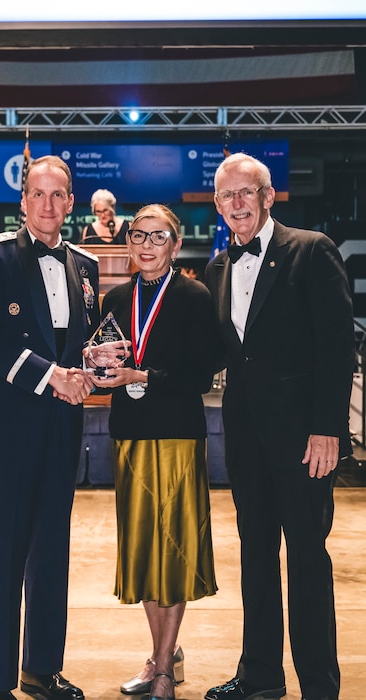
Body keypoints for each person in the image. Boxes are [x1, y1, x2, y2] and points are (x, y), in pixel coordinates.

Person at [204, 153, 355, 700]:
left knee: (308, 563)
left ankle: (319, 684)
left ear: (269, 197)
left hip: (303, 443)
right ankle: (261, 675)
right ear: (217, 205)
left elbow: (338, 348)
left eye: (247, 192)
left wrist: (328, 429)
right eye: (227, 196)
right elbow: (219, 354)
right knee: (255, 558)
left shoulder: (310, 250)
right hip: (245, 441)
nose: (237, 203)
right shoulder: (220, 267)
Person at [0, 155, 100, 700]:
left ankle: (40, 669)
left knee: (52, 553)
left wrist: (97, 362)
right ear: (23, 202)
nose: (47, 205)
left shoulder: (85, 265)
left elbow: (78, 343)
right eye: (37, 195)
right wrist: (53, 377)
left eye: (58, 195)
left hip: (61, 429)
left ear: (71, 202)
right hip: (7, 429)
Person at [88, 204, 218, 700]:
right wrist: (95, 364)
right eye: (138, 235)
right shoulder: (115, 299)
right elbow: (107, 363)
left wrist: (140, 376)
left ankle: (162, 665)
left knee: (176, 547)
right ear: (128, 243)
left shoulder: (194, 297)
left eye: (157, 236)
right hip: (131, 434)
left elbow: (200, 377)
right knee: (144, 547)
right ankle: (164, 654)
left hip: (179, 435)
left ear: (175, 244)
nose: (146, 244)